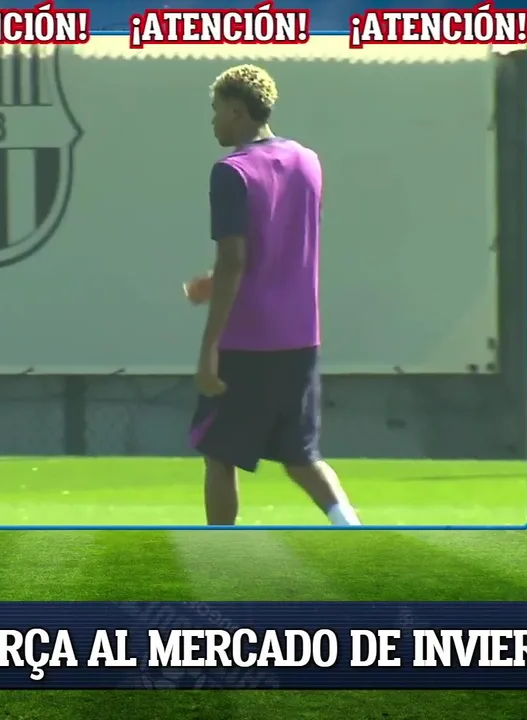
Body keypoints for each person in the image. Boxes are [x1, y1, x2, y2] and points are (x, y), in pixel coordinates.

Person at [182, 64, 361, 527]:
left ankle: (223, 552)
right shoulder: (308, 161)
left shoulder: (230, 172)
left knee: (219, 453)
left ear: (236, 110)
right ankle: (351, 528)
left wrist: (209, 349)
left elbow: (236, 259)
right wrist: (213, 279)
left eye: (217, 110)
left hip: (247, 340)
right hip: (300, 337)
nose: (213, 121)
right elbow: (278, 244)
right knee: (300, 455)